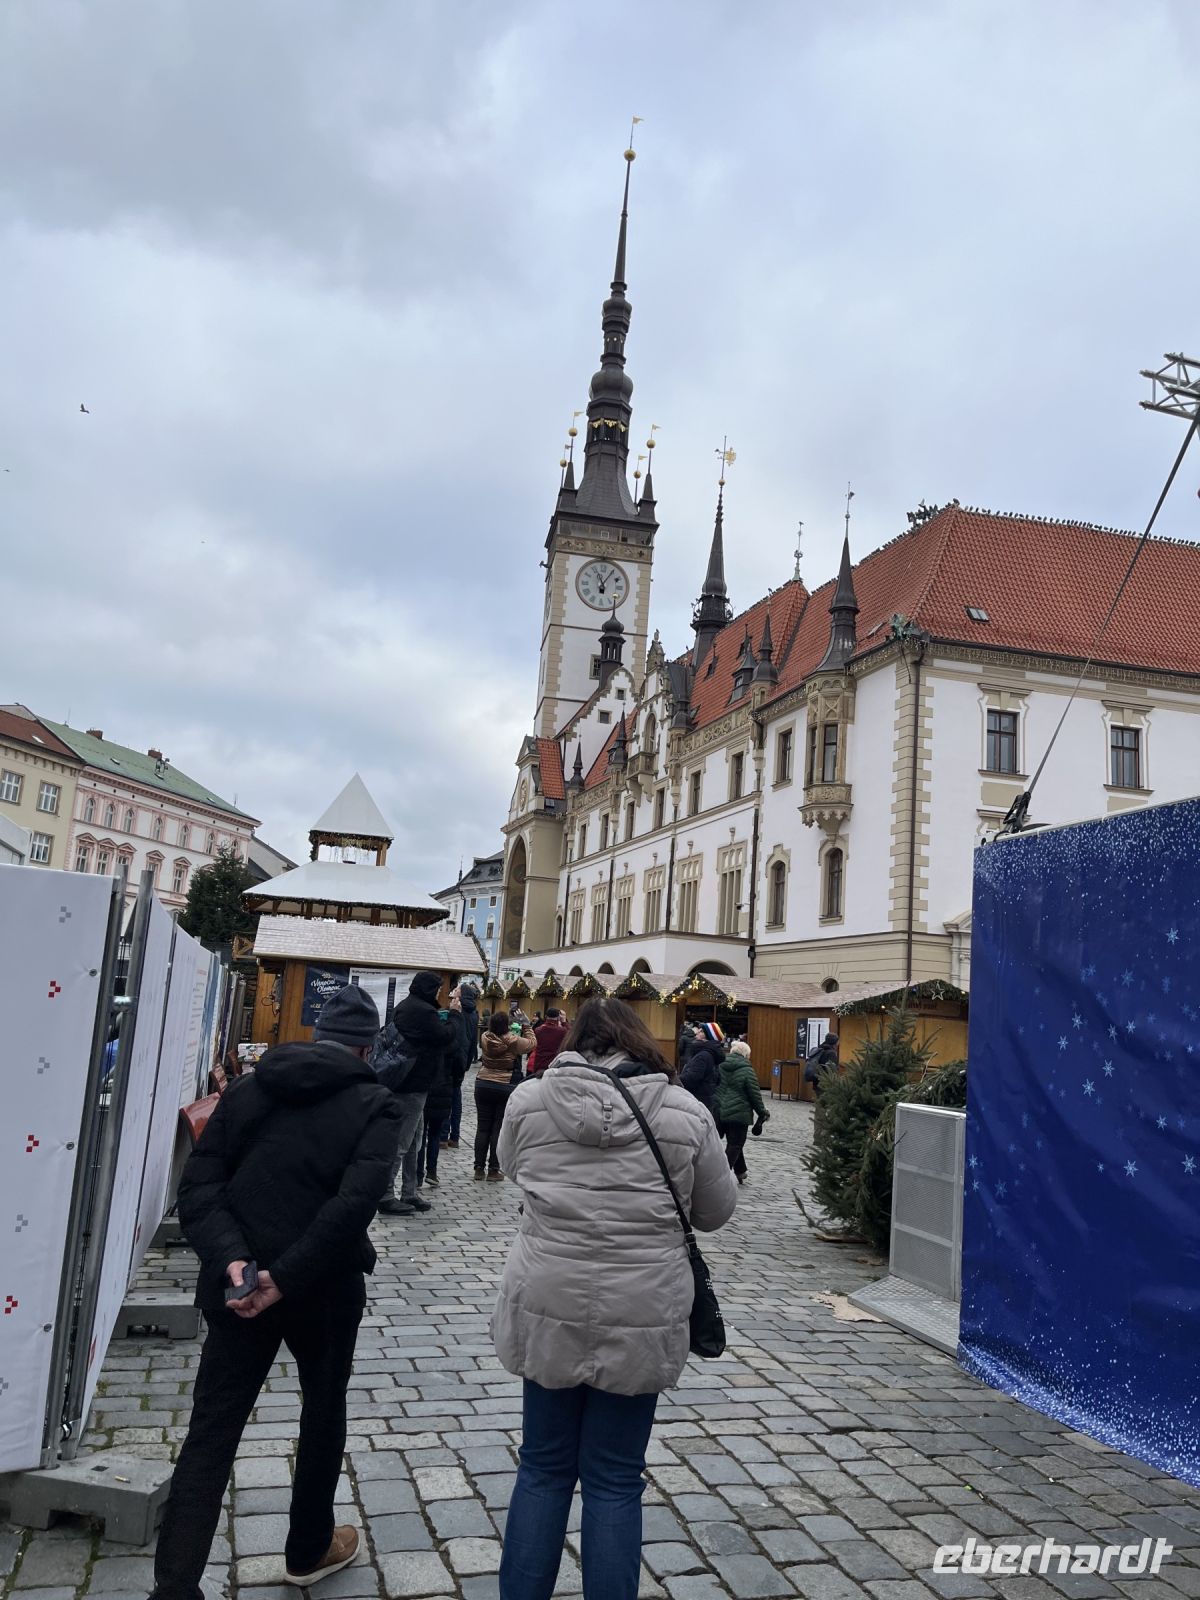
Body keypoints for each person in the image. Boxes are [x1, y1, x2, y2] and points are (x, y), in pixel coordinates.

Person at [146, 984, 400, 1600]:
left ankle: (175, 1586)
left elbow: (199, 1188)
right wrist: (282, 1279)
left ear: (316, 1035)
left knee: (212, 1428)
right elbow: (351, 1209)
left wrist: (238, 1266)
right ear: (368, 1049)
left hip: (238, 1288)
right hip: (322, 1287)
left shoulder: (247, 1088)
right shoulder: (376, 1106)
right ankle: (308, 1548)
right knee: (321, 1412)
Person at [492, 998, 736, 1600]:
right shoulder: (685, 1113)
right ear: (641, 1040)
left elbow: (509, 1167)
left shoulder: (530, 1101)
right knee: (615, 1481)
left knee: (543, 1469)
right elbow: (715, 1212)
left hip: (547, 1297)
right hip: (642, 1308)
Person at [378, 971, 460, 1217]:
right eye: (437, 990)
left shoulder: (406, 1006)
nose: (439, 994)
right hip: (412, 1083)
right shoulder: (422, 1011)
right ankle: (386, 1195)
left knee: (415, 1140)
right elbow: (445, 1037)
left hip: (411, 1081)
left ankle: (409, 1191)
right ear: (429, 989)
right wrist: (455, 1015)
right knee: (403, 1141)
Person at [474, 1008, 534, 1179]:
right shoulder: (513, 1040)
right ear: (507, 1025)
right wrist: (526, 1025)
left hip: (483, 1082)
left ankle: (478, 1168)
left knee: (483, 1127)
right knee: (497, 1128)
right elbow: (531, 1043)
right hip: (504, 1084)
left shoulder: (485, 1037)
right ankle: (494, 1169)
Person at [713, 1038, 769, 1185]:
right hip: (739, 1113)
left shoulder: (719, 1065)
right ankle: (720, 1176)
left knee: (733, 1143)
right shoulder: (747, 1070)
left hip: (719, 1110)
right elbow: (754, 1095)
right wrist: (762, 1112)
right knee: (735, 1144)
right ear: (746, 1055)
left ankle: (740, 1171)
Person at [441, 981, 479, 1148]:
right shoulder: (474, 1013)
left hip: (451, 1057)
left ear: (461, 995)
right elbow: (473, 1040)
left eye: (456, 989)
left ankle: (442, 1136)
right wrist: (469, 1060)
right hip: (463, 1059)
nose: (453, 991)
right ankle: (454, 1136)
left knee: (445, 1096)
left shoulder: (456, 1010)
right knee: (456, 1097)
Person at [680, 1026, 721, 1113]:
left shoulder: (703, 1055)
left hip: (698, 1100)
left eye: (701, 1031)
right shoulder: (709, 1053)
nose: (697, 1032)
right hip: (706, 1099)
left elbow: (692, 1078)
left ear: (709, 1037)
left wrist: (675, 1079)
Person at [528, 1006, 569, 1077]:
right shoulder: (562, 1031)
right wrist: (564, 1022)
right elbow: (571, 1035)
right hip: (554, 1065)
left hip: (539, 1065)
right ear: (558, 1017)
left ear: (546, 1016)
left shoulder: (538, 1030)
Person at [805, 1030, 840, 1099]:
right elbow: (832, 1069)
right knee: (824, 1105)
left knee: (819, 1103)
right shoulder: (831, 1053)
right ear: (835, 1042)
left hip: (816, 1082)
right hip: (825, 1083)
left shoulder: (819, 1049)